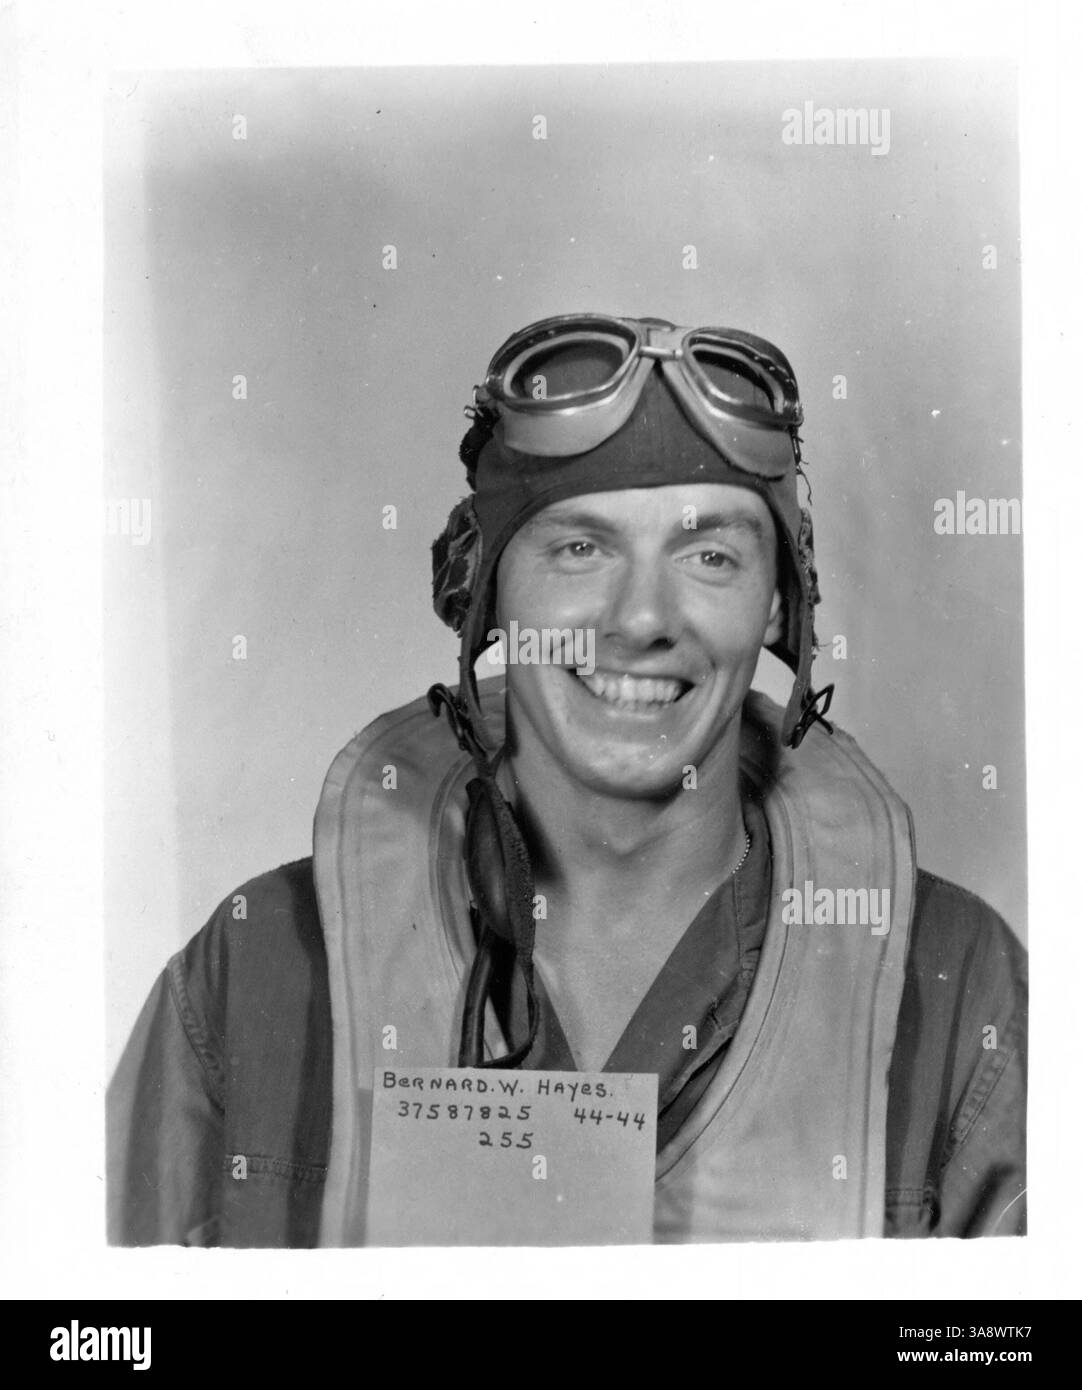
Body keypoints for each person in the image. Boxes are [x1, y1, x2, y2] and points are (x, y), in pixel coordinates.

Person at [107, 312, 1026, 1247]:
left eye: (710, 555)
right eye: (580, 548)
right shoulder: (258, 975)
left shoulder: (957, 996)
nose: (640, 618)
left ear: (781, 603)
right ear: (487, 591)